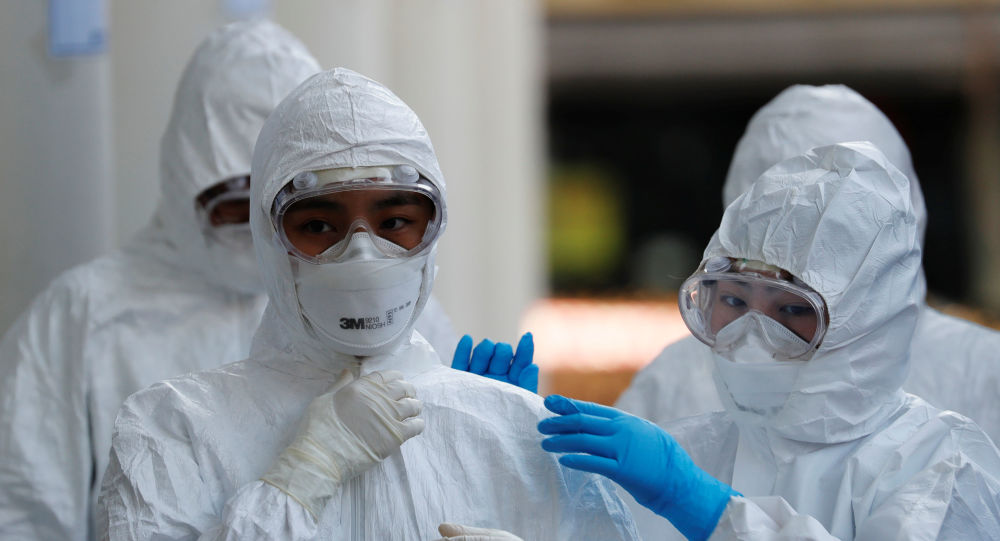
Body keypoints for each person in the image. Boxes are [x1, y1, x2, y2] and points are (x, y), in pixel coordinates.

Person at [98, 68, 638, 540]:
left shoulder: (519, 433)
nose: (361, 253)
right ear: (269, 238)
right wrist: (302, 475)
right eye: (318, 226)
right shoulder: (174, 429)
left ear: (434, 228)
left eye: (395, 222)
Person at [538, 142, 1000, 540]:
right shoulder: (701, 449)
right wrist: (519, 433)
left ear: (866, 327)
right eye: (733, 302)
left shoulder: (936, 466)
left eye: (792, 310)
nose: (750, 336)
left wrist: (708, 510)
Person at [0, 20, 322, 541]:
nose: (259, 234)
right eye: (236, 206)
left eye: (285, 209)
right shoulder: (85, 316)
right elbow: (21, 513)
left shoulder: (352, 297)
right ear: (185, 178)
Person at [616, 84, 1000, 445]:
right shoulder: (677, 380)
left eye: (794, 307)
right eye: (735, 299)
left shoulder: (981, 372)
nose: (762, 328)